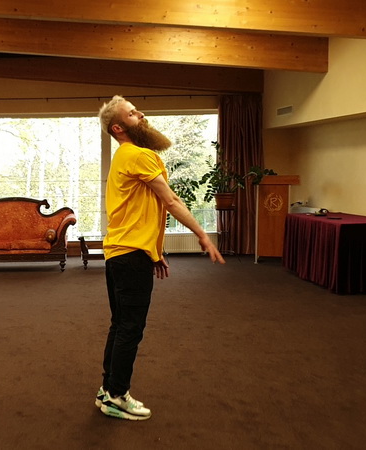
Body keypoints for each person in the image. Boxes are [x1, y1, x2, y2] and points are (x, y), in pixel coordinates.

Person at [95, 95, 225, 421]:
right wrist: (202, 234)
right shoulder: (140, 155)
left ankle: (107, 389)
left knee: (120, 324)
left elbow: (139, 211)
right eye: (132, 114)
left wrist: (153, 251)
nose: (141, 114)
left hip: (120, 254)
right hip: (129, 257)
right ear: (118, 127)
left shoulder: (124, 156)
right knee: (130, 328)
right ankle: (116, 396)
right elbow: (171, 201)